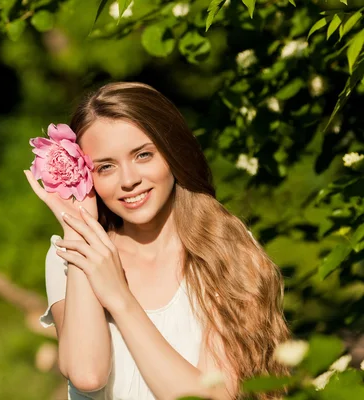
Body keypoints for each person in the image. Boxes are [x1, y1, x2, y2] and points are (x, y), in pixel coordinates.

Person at [23, 82, 290, 400]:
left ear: (172, 151)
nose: (128, 180)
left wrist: (120, 300)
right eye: (106, 167)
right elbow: (87, 375)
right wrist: (81, 228)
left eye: (143, 155)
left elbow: (213, 396)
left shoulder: (225, 247)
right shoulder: (68, 254)